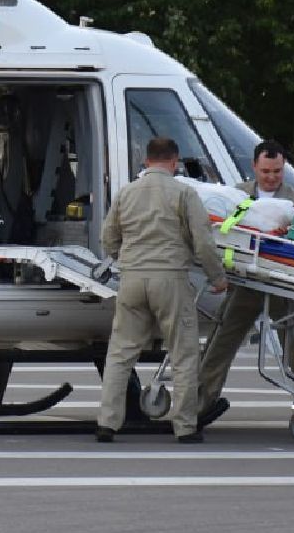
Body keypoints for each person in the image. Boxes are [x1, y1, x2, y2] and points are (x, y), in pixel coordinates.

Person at [96, 137, 228, 444]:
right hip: (170, 278)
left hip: (132, 278)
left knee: (120, 352)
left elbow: (108, 237)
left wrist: (125, 260)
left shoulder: (126, 193)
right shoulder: (184, 193)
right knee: (183, 353)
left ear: (146, 161)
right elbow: (203, 242)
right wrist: (217, 277)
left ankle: (107, 423)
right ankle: (185, 426)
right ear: (174, 161)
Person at [196, 140, 294, 429]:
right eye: (266, 171)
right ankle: (199, 403)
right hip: (246, 282)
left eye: (277, 171)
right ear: (254, 167)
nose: (271, 177)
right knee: (221, 343)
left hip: (282, 283)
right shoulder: (235, 195)